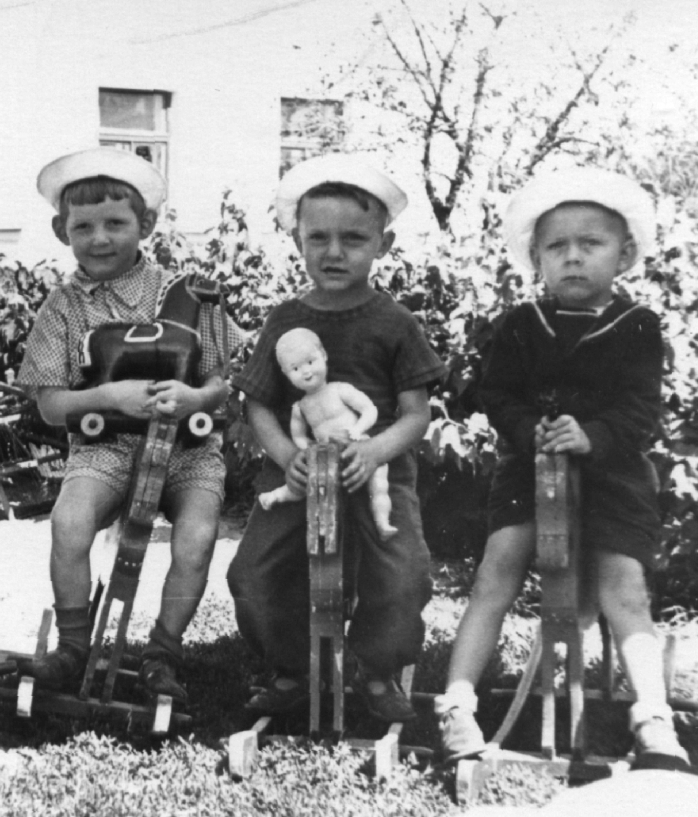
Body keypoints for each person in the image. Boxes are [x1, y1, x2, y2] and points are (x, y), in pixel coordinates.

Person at [436, 167, 691, 768]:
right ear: (537, 258)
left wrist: (591, 436)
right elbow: (497, 394)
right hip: (529, 469)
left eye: (590, 243)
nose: (572, 257)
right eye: (556, 246)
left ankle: (653, 718)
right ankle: (457, 703)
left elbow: (641, 410)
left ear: (624, 254)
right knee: (497, 569)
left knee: (624, 584)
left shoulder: (638, 326)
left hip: (613, 474)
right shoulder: (522, 325)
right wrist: (531, 429)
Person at [15, 147, 245, 705]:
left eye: (115, 224)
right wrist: (107, 396)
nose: (99, 239)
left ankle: (163, 653)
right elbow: (49, 406)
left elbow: (226, 381)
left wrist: (196, 396)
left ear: (145, 224)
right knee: (70, 521)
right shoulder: (62, 307)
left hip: (188, 450)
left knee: (197, 536)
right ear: (61, 231)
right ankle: (73, 646)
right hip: (107, 447)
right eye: (83, 227)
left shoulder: (191, 294)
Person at [227, 153, 446, 722]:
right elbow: (258, 403)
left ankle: (376, 668)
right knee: (253, 573)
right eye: (317, 237)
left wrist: (373, 450)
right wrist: (287, 457)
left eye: (353, 238)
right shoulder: (285, 319)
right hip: (298, 471)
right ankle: (293, 667)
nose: (333, 252)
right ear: (297, 241)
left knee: (403, 574)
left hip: (376, 470)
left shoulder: (394, 322)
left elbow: (416, 414)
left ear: (383, 244)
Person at [257, 327, 397, 539]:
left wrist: (358, 429)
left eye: (310, 362)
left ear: (323, 355)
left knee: (379, 481)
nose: (306, 371)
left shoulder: (340, 389)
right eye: (296, 368)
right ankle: (279, 496)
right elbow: (299, 436)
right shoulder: (300, 407)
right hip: (326, 454)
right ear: (286, 374)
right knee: (304, 483)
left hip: (358, 446)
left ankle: (382, 522)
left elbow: (370, 410)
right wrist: (307, 448)